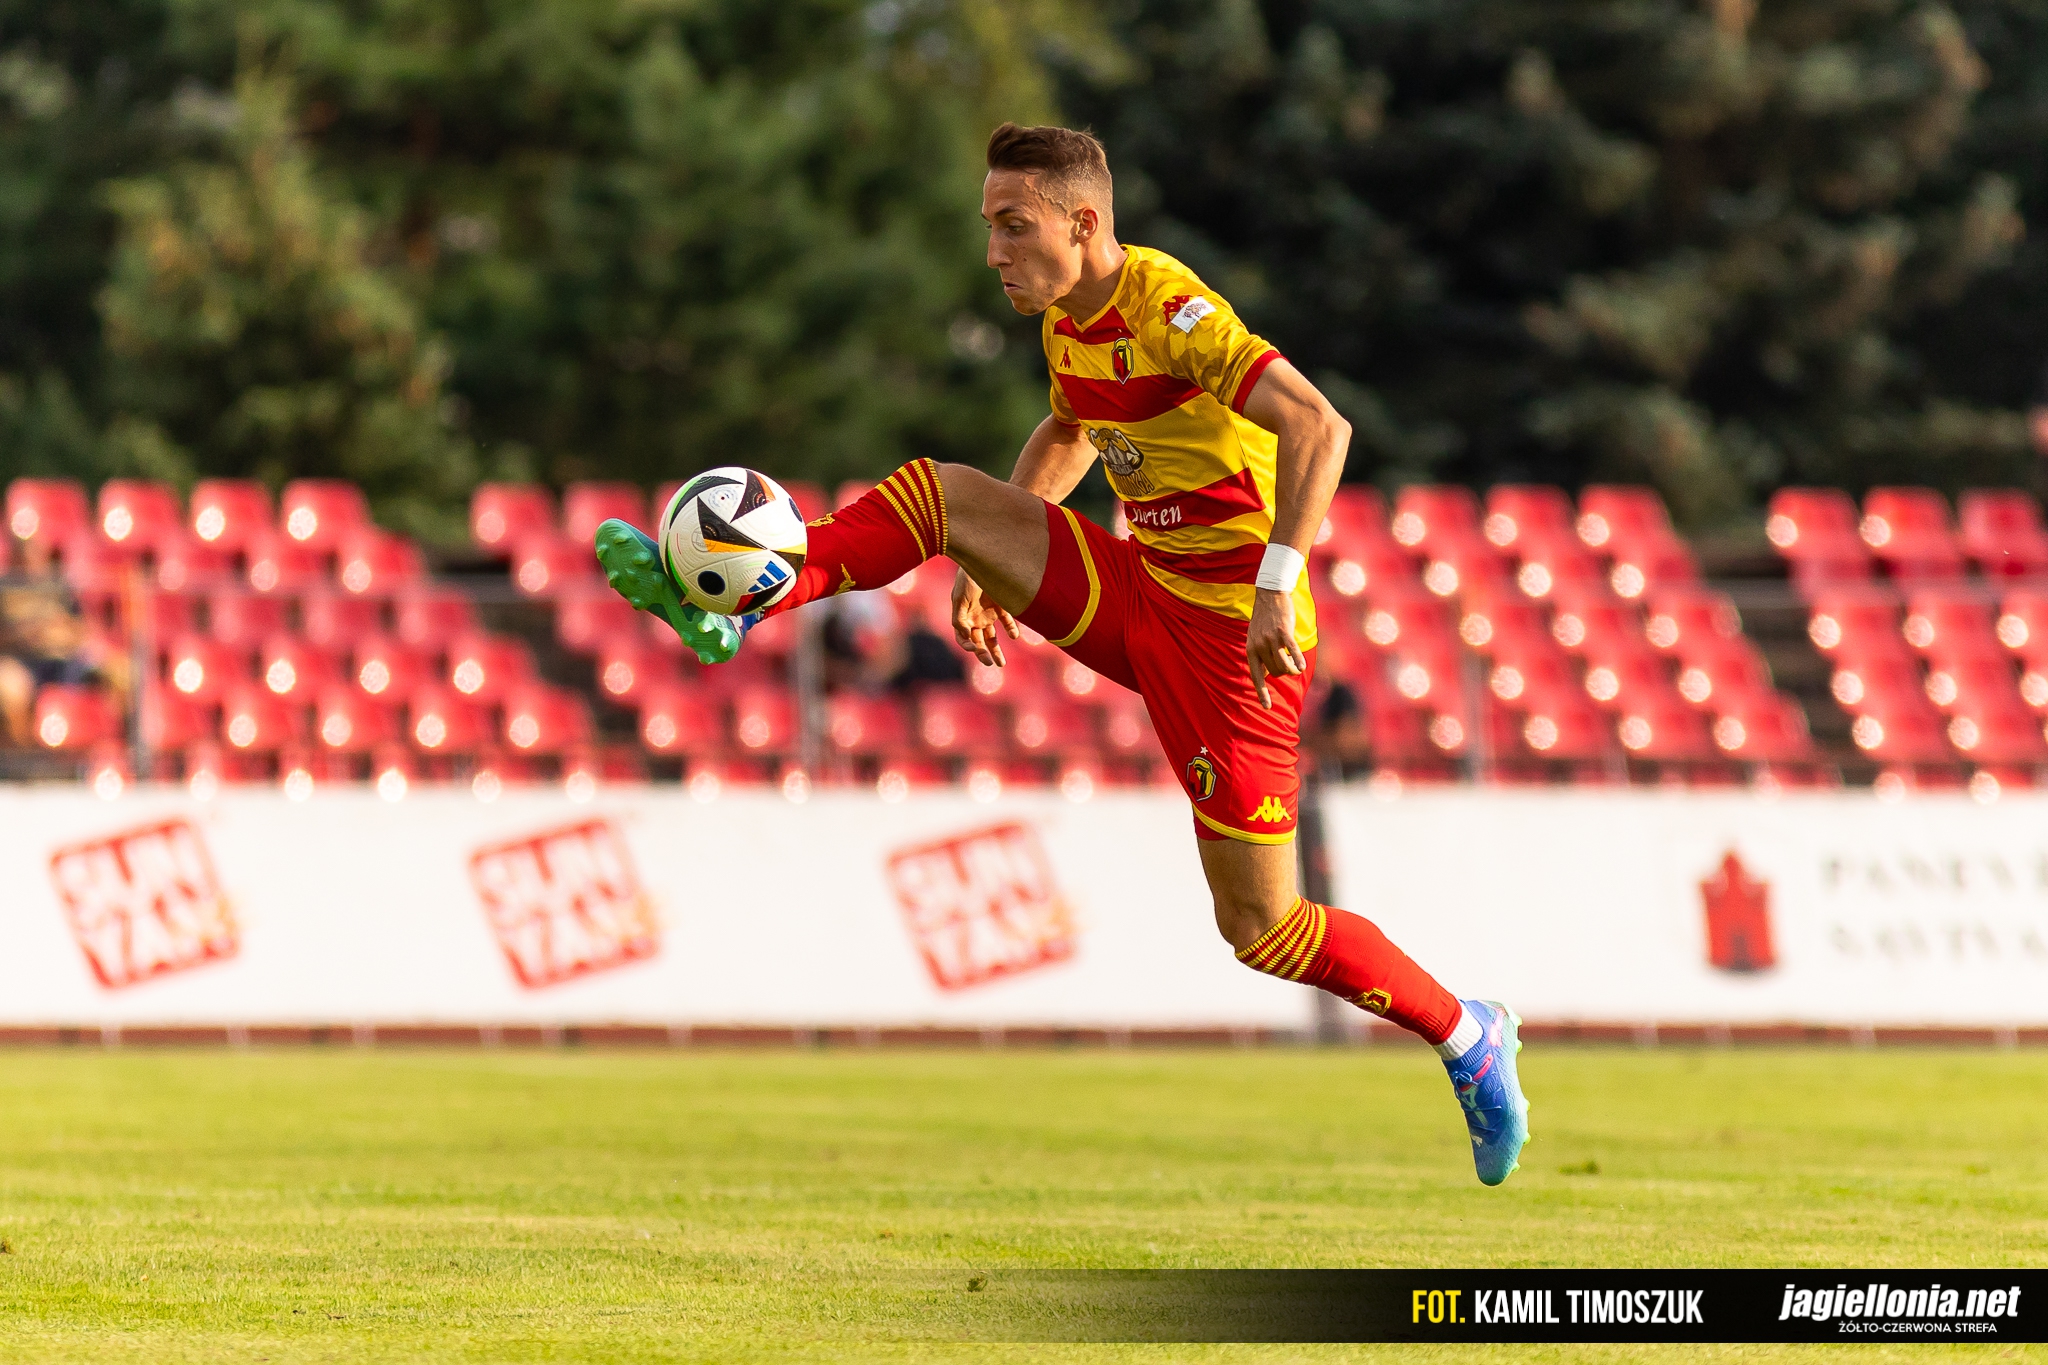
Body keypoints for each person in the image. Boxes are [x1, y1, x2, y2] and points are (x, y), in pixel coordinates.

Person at [596, 123, 1529, 1184]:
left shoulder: (1172, 310)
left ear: (1083, 224)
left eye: (1013, 227)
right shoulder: (1066, 322)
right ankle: (756, 593)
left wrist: (1278, 582)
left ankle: (1467, 1033)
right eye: (988, 226)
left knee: (1262, 928)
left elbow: (1321, 427)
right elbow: (1072, 429)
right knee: (945, 496)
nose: (993, 251)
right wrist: (983, 564)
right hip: (1141, 592)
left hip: (1231, 641)